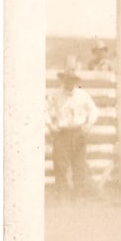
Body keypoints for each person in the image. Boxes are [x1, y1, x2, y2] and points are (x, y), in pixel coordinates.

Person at [46, 68, 100, 198]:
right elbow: (44, 110)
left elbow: (93, 110)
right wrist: (50, 125)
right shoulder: (55, 95)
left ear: (76, 81)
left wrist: (89, 124)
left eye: (72, 80)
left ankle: (78, 196)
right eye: (67, 79)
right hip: (62, 133)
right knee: (60, 165)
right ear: (63, 79)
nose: (69, 82)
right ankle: (62, 196)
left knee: (79, 165)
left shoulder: (83, 95)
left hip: (78, 133)